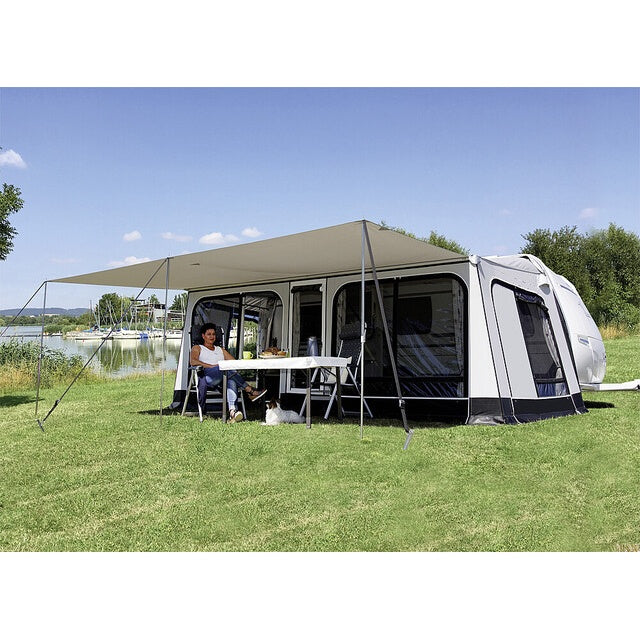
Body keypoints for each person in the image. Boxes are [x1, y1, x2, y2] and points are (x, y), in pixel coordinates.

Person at [190, 323, 267, 422]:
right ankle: (250, 390)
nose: (212, 336)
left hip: (223, 376)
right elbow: (193, 362)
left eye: (213, 334)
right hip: (207, 377)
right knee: (224, 369)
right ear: (203, 336)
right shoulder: (198, 348)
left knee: (231, 380)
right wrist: (212, 366)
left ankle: (233, 412)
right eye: (209, 334)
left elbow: (233, 363)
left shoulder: (220, 350)